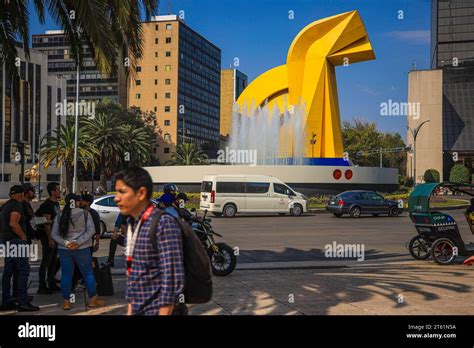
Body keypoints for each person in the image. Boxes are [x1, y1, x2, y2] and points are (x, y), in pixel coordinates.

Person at [115, 167, 186, 315]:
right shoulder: (133, 225)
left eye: (122, 192)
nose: (116, 198)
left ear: (141, 193)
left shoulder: (163, 224)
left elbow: (172, 277)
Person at [51, 193, 105, 310]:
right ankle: (93, 300)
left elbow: (54, 234)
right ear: (77, 202)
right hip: (83, 248)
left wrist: (66, 243)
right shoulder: (85, 214)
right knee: (87, 273)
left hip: (64, 249)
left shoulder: (59, 216)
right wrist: (78, 242)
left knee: (66, 274)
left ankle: (66, 302)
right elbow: (91, 231)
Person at [0, 185, 39, 311]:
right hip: (16, 241)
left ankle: (6, 301)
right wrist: (23, 236)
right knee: (23, 270)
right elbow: (13, 223)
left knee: (8, 271)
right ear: (21, 194)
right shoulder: (17, 205)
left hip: (6, 241)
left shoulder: (5, 206)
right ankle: (23, 301)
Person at [35, 182, 61, 294]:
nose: (60, 191)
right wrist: (50, 239)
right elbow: (47, 224)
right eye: (58, 190)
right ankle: (42, 286)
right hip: (48, 238)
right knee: (46, 261)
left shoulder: (56, 204)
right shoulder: (47, 205)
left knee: (53, 261)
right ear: (52, 191)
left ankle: (51, 283)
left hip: (55, 237)